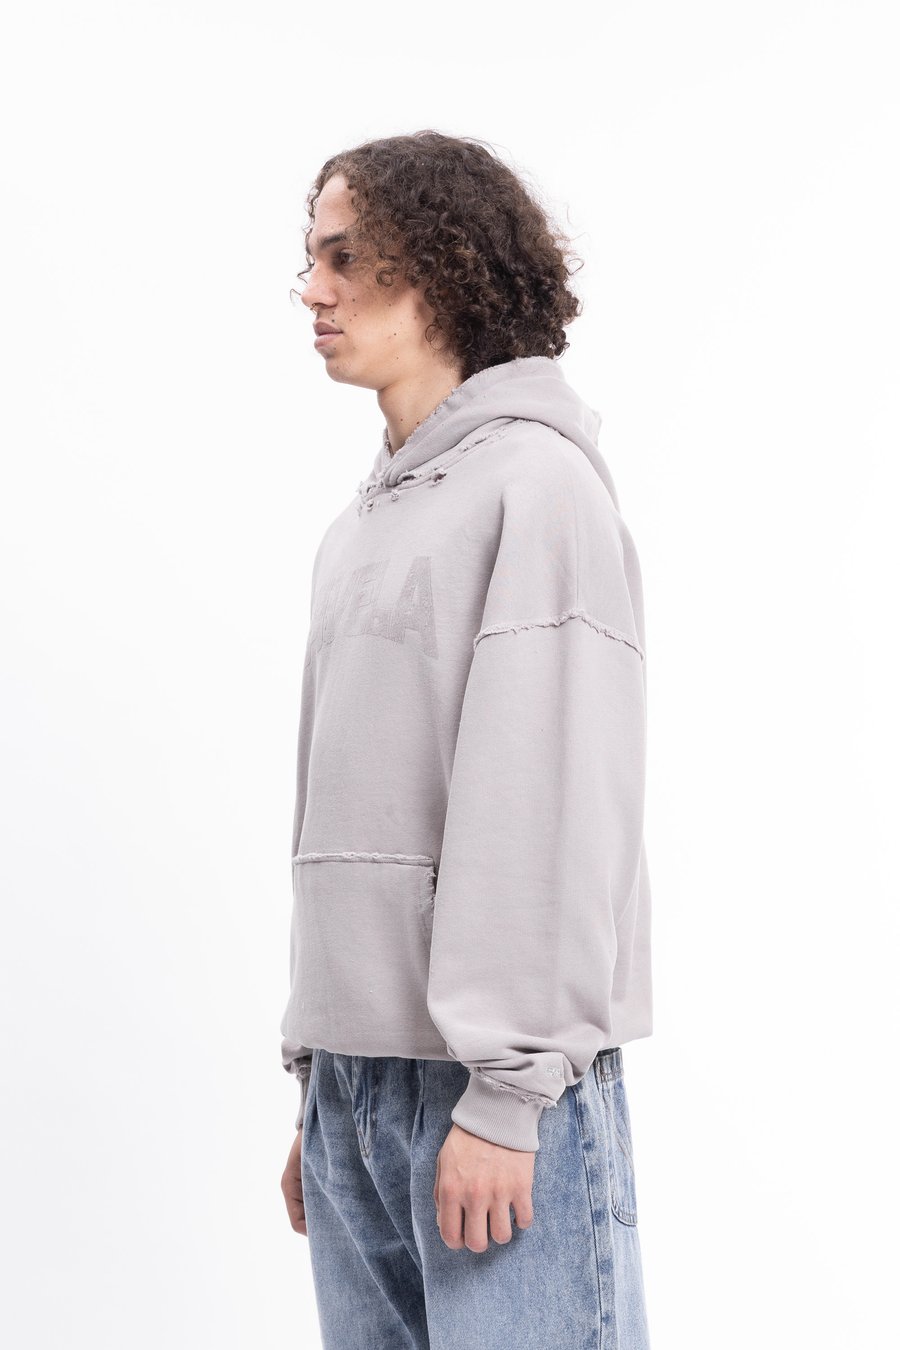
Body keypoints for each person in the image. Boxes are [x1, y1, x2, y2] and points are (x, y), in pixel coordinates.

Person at [279, 130, 653, 1349]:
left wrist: (506, 1094)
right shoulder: (358, 527)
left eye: (345, 258)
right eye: (309, 258)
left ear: (438, 267)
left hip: (491, 1096)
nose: (313, 290)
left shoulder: (538, 490)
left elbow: (552, 807)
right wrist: (323, 1080)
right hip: (356, 1088)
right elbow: (341, 801)